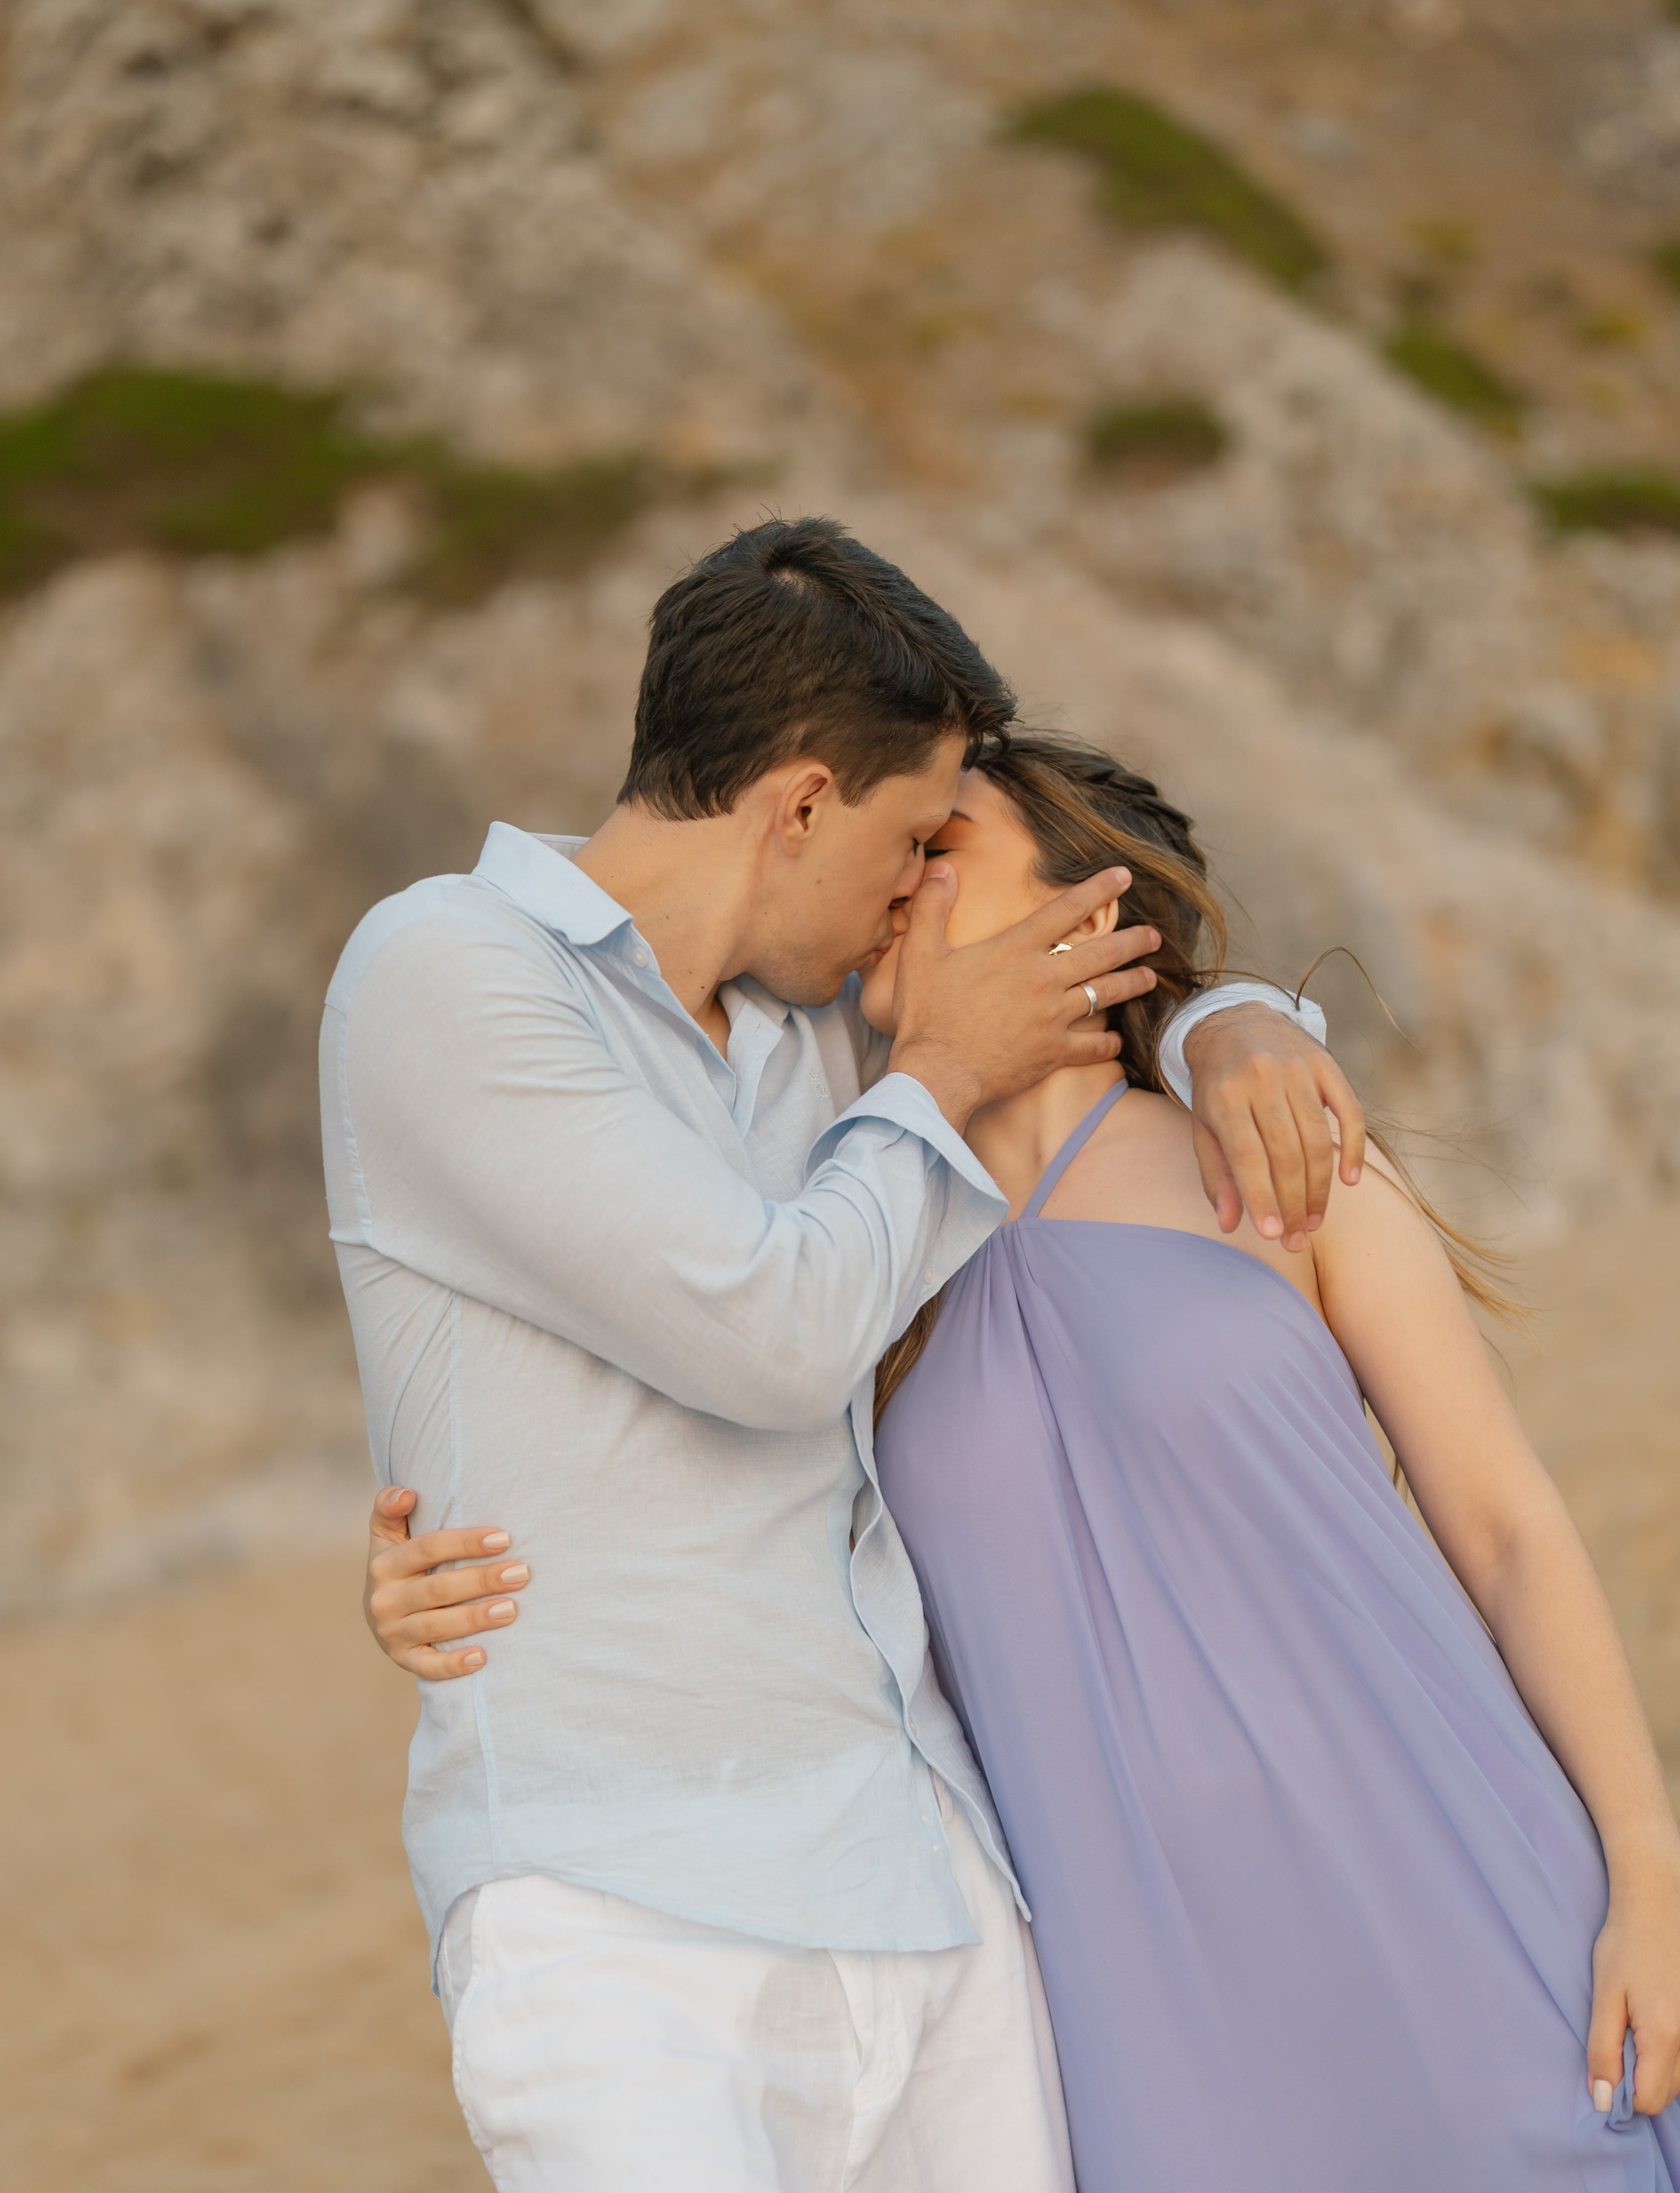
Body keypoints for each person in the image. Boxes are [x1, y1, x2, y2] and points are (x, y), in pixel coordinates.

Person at [326, 518, 1353, 2192]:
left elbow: (1056, 1024)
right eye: (903, 835)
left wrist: (1231, 1021)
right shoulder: (445, 970)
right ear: (799, 802)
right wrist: (939, 1074)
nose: (908, 887)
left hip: (933, 1879)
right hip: (625, 1914)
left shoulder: (821, 1033)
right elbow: (772, 1331)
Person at [859, 732, 1680, 2192]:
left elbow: (1501, 1526)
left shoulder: (1281, 1157)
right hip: (1144, 2014)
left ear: (1087, 911)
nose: (896, 875)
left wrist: (1647, 1859)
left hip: (1447, 1890)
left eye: (945, 844)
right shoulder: (856, 1269)